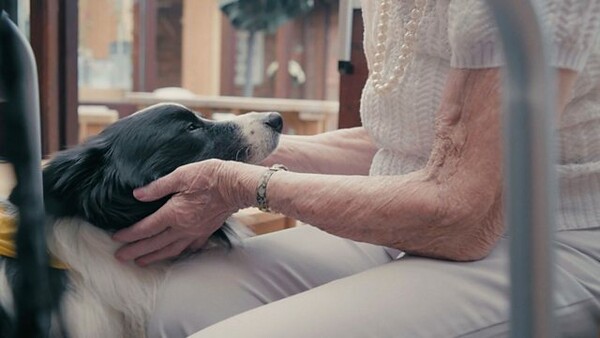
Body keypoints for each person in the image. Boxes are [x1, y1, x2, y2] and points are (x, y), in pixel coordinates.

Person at [113, 1, 600, 337]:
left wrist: (240, 184)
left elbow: (460, 213)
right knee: (174, 309)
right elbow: (400, 147)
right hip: (411, 219)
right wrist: (234, 153)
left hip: (540, 243)